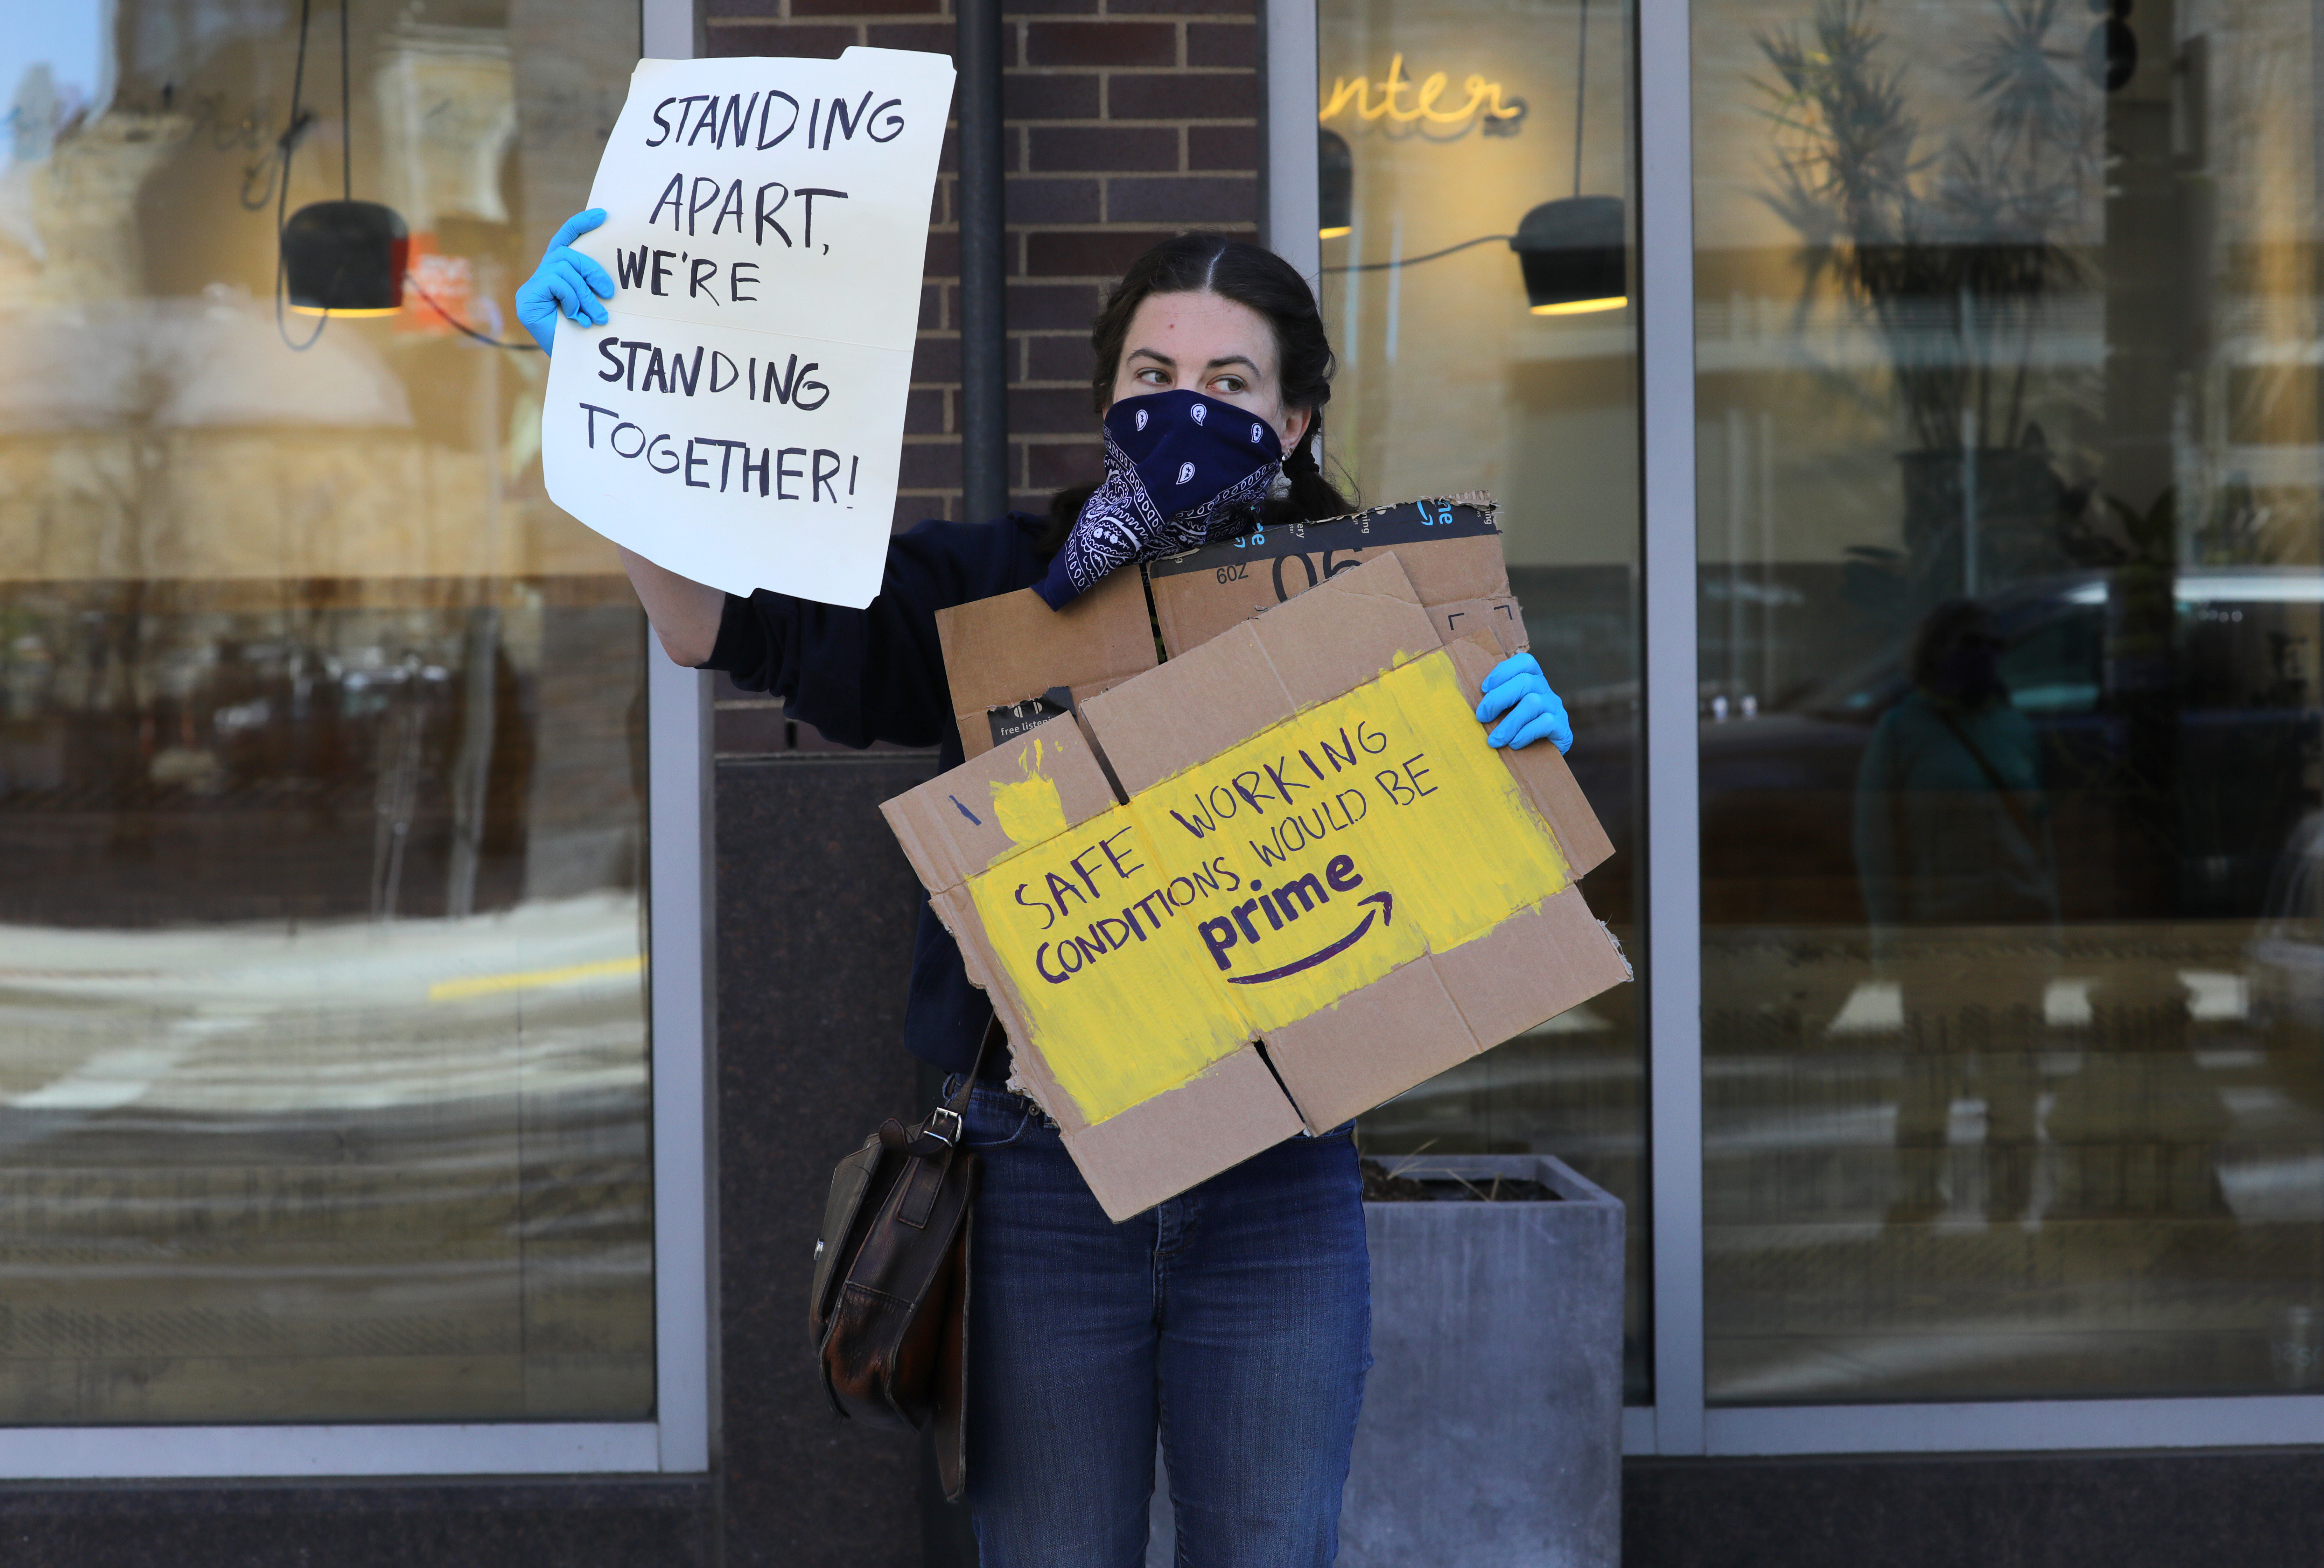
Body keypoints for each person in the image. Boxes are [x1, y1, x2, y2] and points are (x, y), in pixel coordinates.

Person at [518, 211, 1574, 1565]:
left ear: (1299, 422)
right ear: (1105, 403)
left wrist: (1514, 753)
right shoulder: (991, 596)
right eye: (1152, 378)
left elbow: (1467, 883)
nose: (1184, 407)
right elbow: (712, 623)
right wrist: (600, 403)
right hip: (1039, 1184)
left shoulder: (1369, 616)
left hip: (1275, 1185)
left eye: (1229, 386)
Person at [1853, 599, 2058, 1225]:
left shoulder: (2016, 730)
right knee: (1930, 1083)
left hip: (2017, 939)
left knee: (2014, 1088)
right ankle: (1916, 1204)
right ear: (1935, 652)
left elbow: (2042, 843)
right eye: (1970, 642)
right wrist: (1890, 939)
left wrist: (2054, 932)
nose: (1985, 655)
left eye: (1995, 644)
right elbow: (1877, 845)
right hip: (1938, 942)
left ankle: (2010, 1209)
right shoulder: (1902, 732)